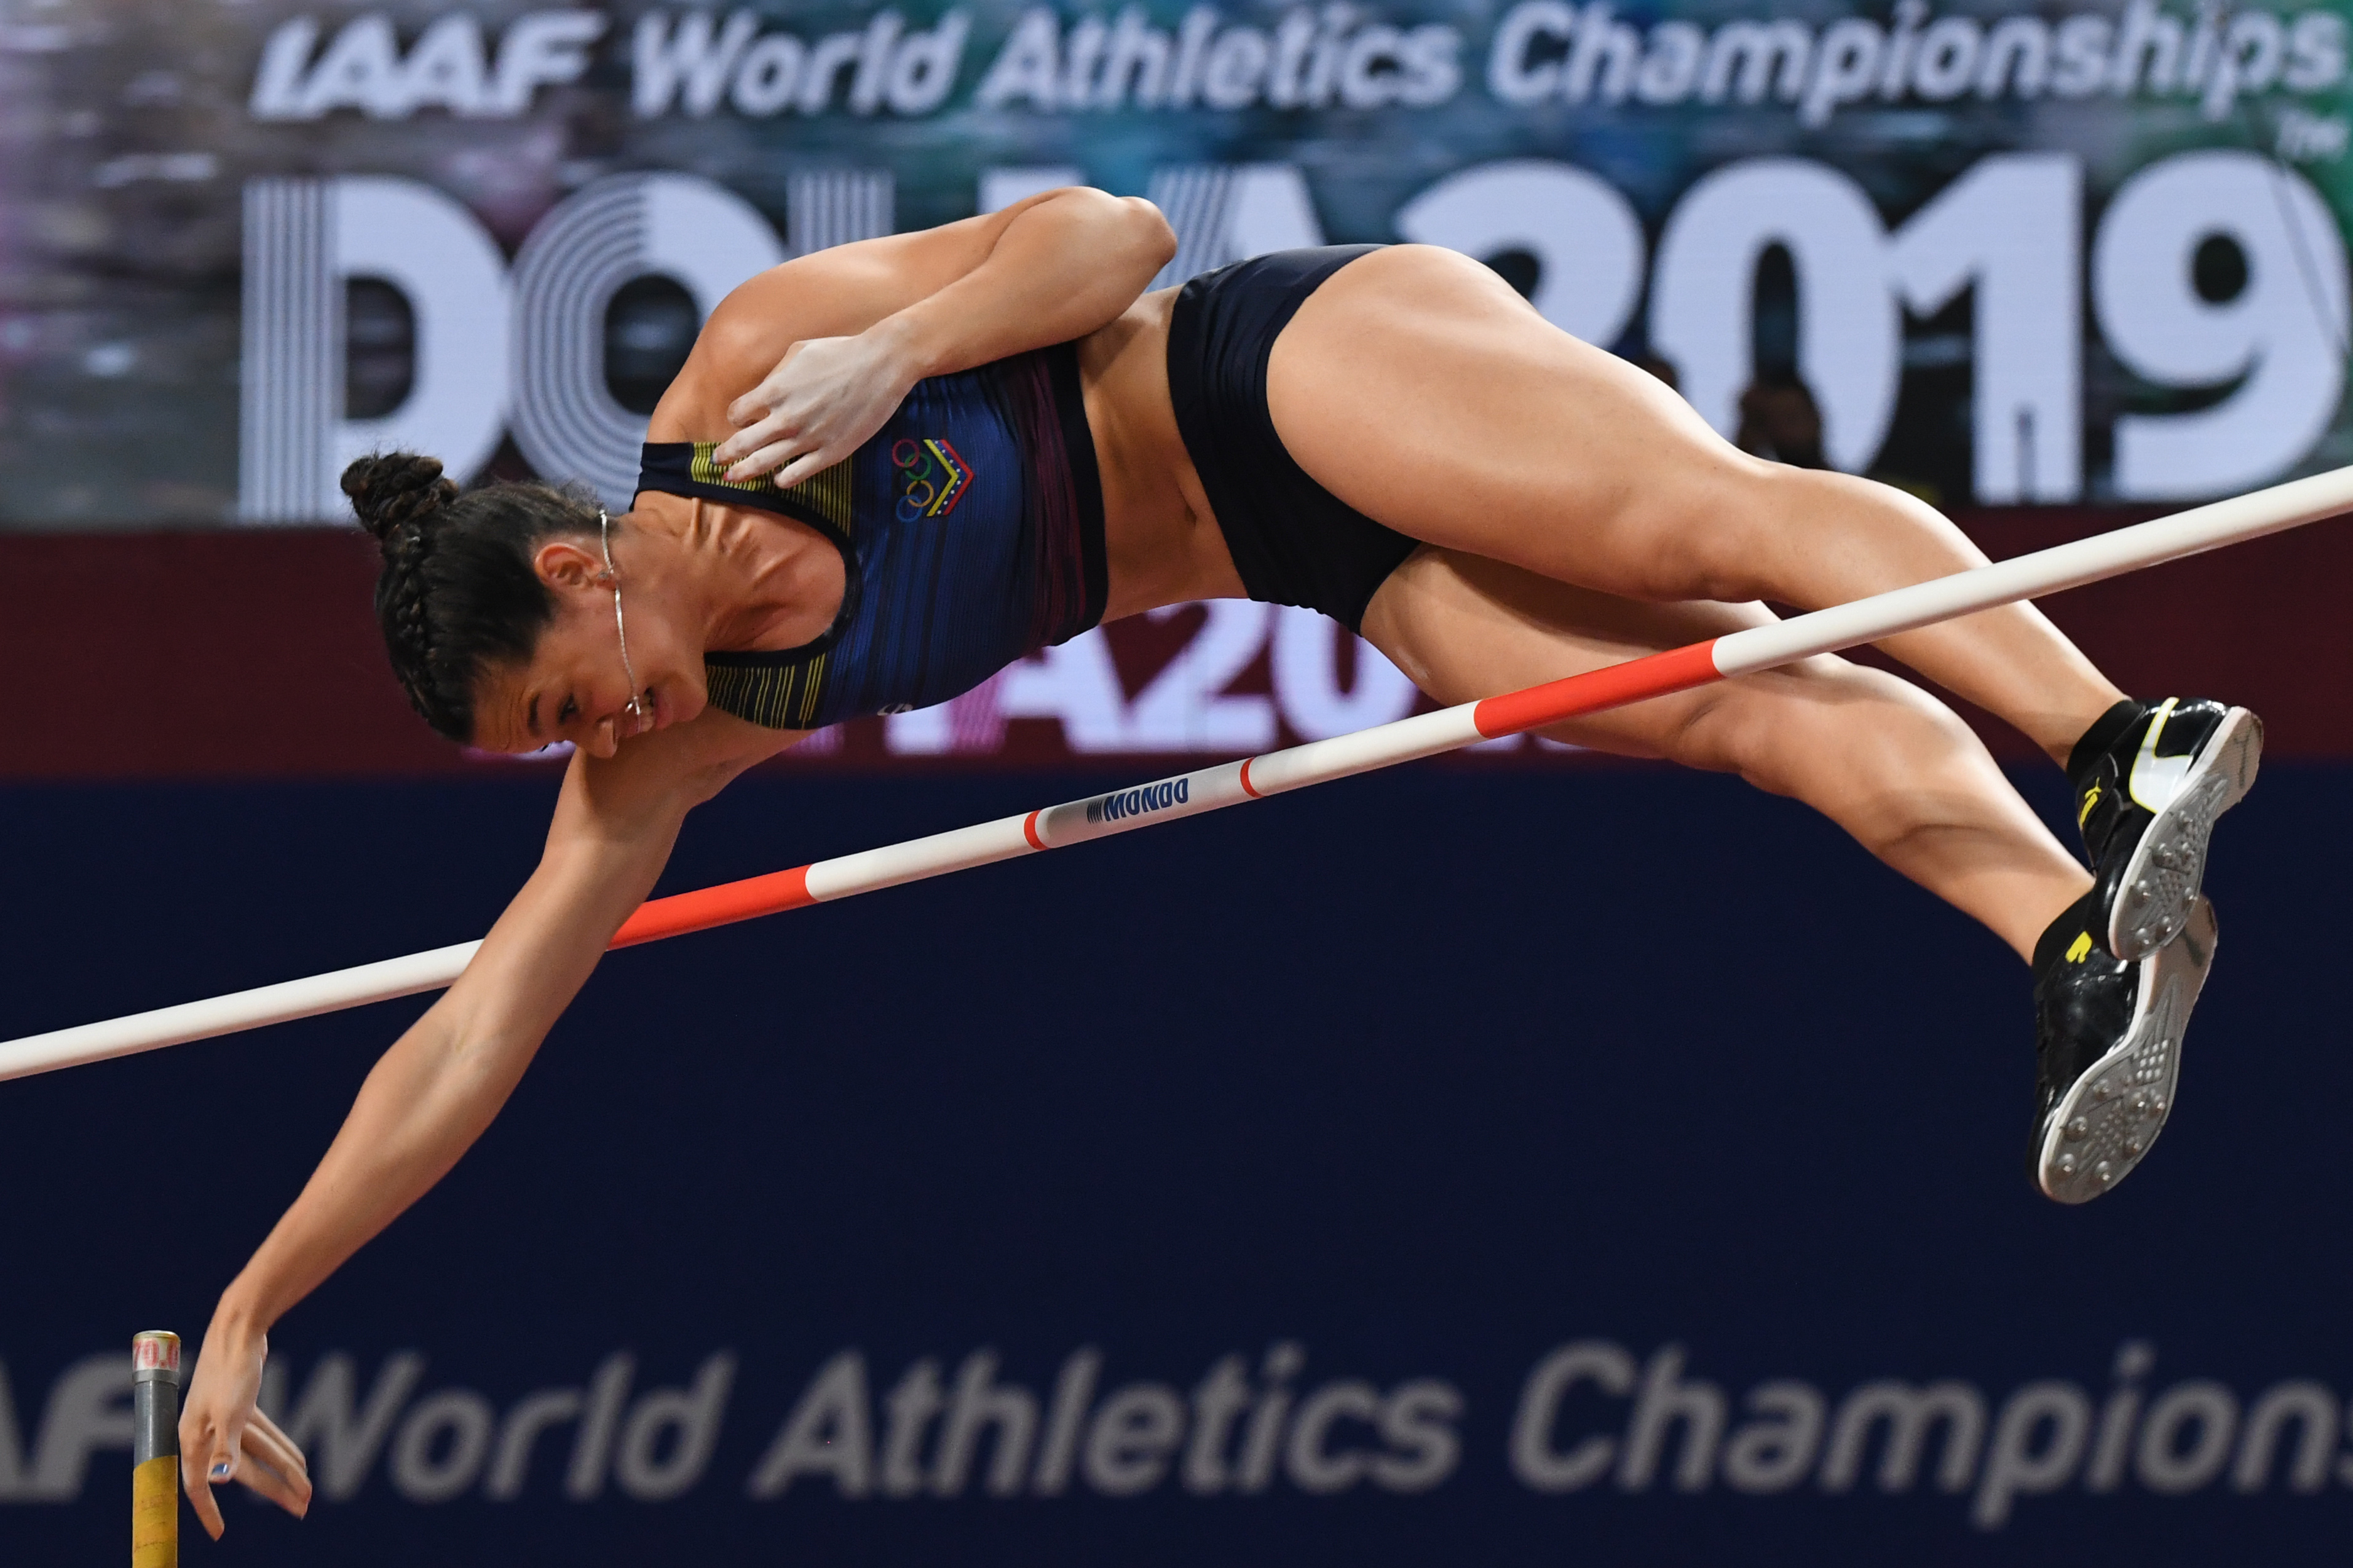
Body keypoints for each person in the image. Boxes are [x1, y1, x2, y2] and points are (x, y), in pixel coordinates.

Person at [175, 188, 2261, 1534]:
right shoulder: (690, 745)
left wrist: (900, 345)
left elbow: (1115, 232)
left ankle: (2113, 741)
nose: (604, 743)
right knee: (1732, 707)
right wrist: (262, 1302)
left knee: (1705, 537)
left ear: (576, 572)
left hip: (1283, 367)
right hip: (1295, 558)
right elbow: (477, 1026)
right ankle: (2078, 935)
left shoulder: (748, 377)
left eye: (572, 702)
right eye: (564, 751)